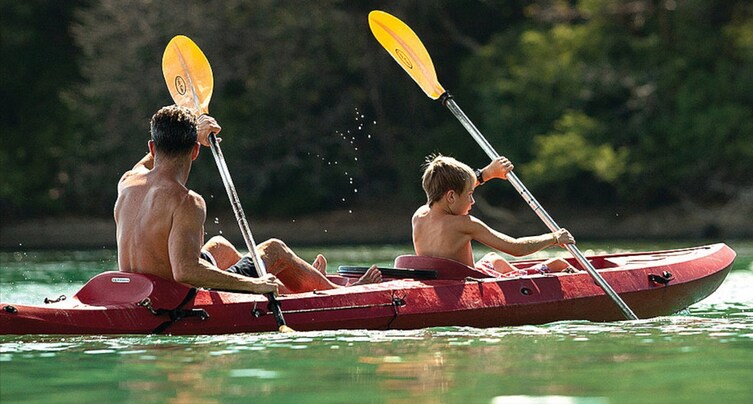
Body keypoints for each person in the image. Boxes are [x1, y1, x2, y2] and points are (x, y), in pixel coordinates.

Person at [114, 105, 380, 294]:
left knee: (219, 246)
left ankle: (292, 287)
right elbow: (185, 272)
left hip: (135, 292)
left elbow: (150, 160)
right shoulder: (186, 202)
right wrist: (254, 285)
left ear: (152, 146)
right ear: (196, 151)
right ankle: (337, 292)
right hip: (172, 298)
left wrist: (194, 127)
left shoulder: (127, 181)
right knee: (274, 249)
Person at [411, 154, 577, 277]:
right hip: (469, 283)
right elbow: (516, 248)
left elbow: (450, 190)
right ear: (451, 197)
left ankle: (519, 276)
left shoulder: (419, 216)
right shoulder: (465, 224)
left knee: (493, 259)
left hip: (439, 281)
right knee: (559, 263)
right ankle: (525, 278)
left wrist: (486, 174)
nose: (473, 201)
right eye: (469, 194)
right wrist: (554, 238)